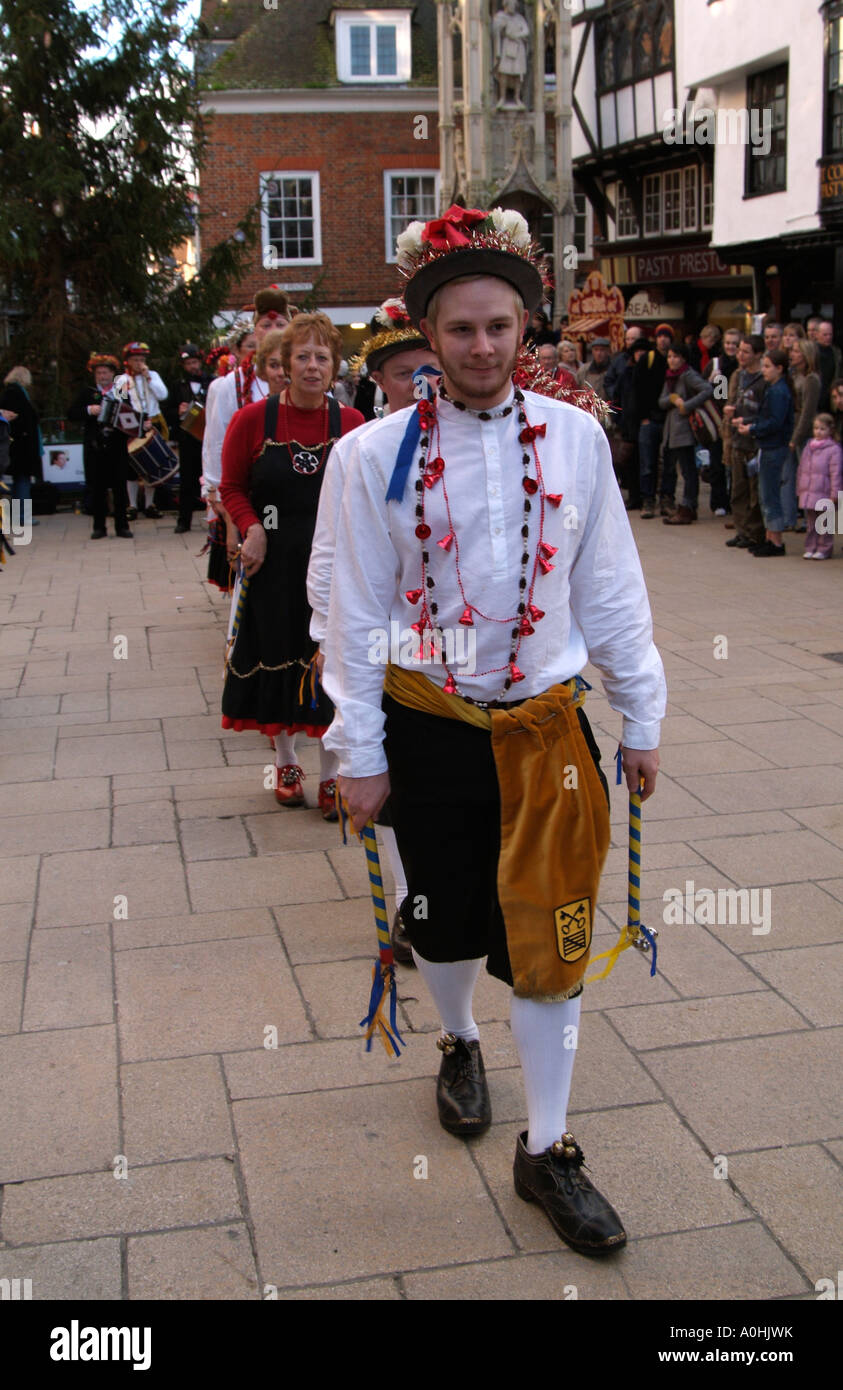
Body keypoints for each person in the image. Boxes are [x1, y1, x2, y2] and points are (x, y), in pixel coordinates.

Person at [322, 203, 665, 1255]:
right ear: (429, 335)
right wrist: (359, 749)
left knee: (553, 939)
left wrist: (642, 711)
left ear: (526, 328)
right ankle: (459, 1035)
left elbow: (610, 587)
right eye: (461, 329)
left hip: (550, 733)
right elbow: (354, 612)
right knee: (446, 918)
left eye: (500, 327)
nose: (481, 347)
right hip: (427, 729)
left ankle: (548, 1147)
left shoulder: (577, 440)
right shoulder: (370, 456)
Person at [309, 296, 440, 957]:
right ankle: (406, 904)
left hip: (460, 656)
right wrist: (321, 631)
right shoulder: (357, 450)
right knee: (389, 786)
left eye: (430, 367)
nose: (422, 383)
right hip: (386, 644)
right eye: (403, 372)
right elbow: (331, 548)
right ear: (379, 381)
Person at [220, 314, 364, 818]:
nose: (311, 366)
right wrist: (251, 526)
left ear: (334, 367)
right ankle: (285, 764)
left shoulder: (350, 423)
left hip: (332, 566)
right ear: (282, 365)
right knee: (278, 657)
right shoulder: (252, 420)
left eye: (321, 357)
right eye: (301, 356)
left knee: (328, 668)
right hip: (273, 563)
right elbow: (231, 486)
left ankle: (331, 778)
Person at [736, 348, 794, 557]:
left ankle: (776, 541)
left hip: (774, 446)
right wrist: (748, 422)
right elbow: (766, 417)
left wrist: (752, 428)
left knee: (770, 495)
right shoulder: (773, 388)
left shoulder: (779, 391)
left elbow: (775, 422)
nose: (764, 371)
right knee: (765, 494)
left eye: (768, 366)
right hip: (768, 445)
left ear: (780, 369)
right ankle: (770, 537)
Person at [67, 353, 132, 539]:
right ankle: (99, 527)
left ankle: (122, 526)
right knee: (97, 487)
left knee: (120, 486)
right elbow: (72, 413)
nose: (102, 376)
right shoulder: (87, 392)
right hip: (95, 445)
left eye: (105, 373)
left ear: (113, 374)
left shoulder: (120, 388)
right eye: (99, 373)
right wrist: (89, 410)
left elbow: (129, 411)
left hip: (117, 444)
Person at [658, 343, 714, 525]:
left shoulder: (687, 375)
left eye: (675, 356)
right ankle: (684, 505)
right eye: (669, 357)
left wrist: (687, 405)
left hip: (685, 430)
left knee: (689, 471)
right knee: (675, 468)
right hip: (671, 430)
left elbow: (708, 389)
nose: (672, 360)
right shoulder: (670, 377)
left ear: (683, 358)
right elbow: (662, 401)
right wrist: (673, 399)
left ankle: (689, 506)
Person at [113, 342, 169, 519]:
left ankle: (150, 504)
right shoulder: (121, 379)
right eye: (135, 360)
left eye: (142, 359)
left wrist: (148, 378)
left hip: (153, 421)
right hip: (133, 424)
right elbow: (119, 404)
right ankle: (132, 505)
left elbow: (163, 395)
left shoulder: (153, 375)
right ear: (128, 361)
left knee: (152, 465)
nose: (139, 363)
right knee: (132, 468)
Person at [723, 335, 766, 551]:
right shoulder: (737, 375)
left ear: (757, 354)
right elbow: (729, 399)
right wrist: (728, 412)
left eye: (746, 351)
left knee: (755, 492)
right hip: (737, 438)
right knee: (738, 489)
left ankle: (755, 532)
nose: (740, 355)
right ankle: (741, 531)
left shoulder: (764, 378)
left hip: (755, 440)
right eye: (739, 350)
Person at [166, 345, 211, 535]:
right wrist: (178, 411)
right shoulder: (178, 385)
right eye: (188, 363)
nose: (192, 366)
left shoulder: (212, 381)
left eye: (194, 362)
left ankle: (214, 519)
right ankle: (183, 521)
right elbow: (166, 412)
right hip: (187, 439)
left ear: (200, 362)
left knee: (211, 480)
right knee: (187, 481)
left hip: (208, 437)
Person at [636, 324, 674, 517]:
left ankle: (667, 500)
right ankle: (648, 500)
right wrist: (642, 417)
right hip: (650, 419)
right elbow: (637, 389)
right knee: (648, 463)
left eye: (667, 336)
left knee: (668, 463)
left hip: (671, 421)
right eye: (660, 336)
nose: (663, 340)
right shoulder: (648, 359)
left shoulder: (677, 361)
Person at [797, 413, 843, 560]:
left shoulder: (834, 449)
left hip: (824, 492)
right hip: (810, 491)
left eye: (822, 429)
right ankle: (811, 546)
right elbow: (801, 469)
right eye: (816, 428)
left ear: (830, 430)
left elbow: (836, 473)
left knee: (824, 523)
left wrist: (835, 493)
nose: (818, 431)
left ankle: (825, 548)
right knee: (811, 523)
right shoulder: (808, 447)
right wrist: (800, 488)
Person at [788, 338, 821, 531]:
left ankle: (814, 523)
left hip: (806, 433)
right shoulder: (794, 375)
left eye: (796, 351)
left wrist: (795, 438)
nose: (792, 354)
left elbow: (808, 412)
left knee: (812, 481)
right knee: (798, 480)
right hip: (794, 428)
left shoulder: (811, 379)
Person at [0, 367, 42, 521]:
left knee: (20, 480)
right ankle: (23, 515)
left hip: (18, 444)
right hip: (21, 445)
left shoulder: (11, 392)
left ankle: (19, 514)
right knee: (22, 480)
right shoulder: (15, 394)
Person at [816, 321, 842, 412]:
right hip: (816, 394)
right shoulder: (812, 352)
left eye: (830, 335)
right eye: (825, 335)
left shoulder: (836, 353)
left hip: (830, 396)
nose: (828, 337)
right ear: (817, 334)